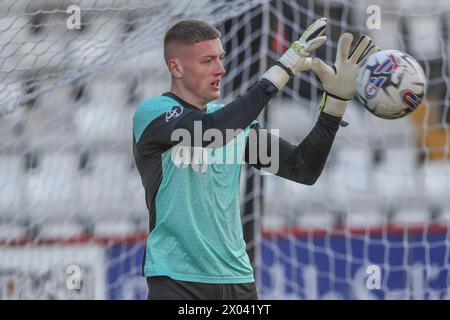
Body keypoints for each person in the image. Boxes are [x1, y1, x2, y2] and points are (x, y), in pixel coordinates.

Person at [132, 18, 379, 300]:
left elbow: (302, 170)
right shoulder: (153, 113)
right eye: (208, 61)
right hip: (177, 281)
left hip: (239, 281)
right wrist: (282, 69)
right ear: (175, 67)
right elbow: (211, 131)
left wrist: (335, 105)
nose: (220, 69)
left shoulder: (234, 127)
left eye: (221, 58)